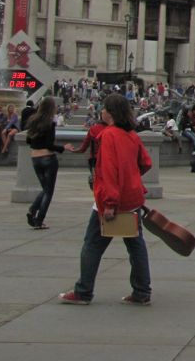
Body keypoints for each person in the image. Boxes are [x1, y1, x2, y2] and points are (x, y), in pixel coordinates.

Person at [60, 93, 153, 306]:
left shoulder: (108, 135)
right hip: (133, 198)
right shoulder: (132, 135)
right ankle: (142, 291)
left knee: (92, 245)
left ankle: (83, 291)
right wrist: (131, 179)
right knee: (136, 245)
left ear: (109, 112)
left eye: (103, 108)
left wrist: (110, 203)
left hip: (112, 200)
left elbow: (109, 171)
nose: (101, 112)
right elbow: (146, 163)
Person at [26, 96, 64, 230]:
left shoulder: (33, 121)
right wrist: (63, 148)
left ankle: (32, 211)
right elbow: (49, 144)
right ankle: (38, 219)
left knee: (45, 189)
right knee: (49, 191)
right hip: (48, 158)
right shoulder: (50, 123)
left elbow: (28, 141)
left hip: (35, 158)